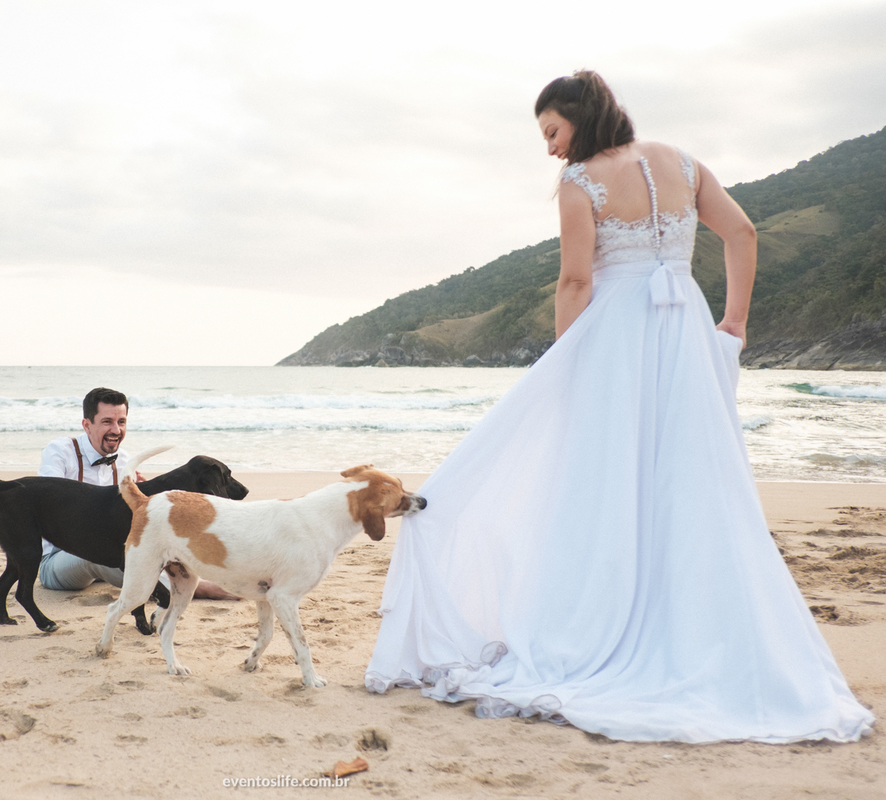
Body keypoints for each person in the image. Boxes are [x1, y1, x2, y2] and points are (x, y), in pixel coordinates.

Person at [364, 71, 874, 743]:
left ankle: (602, 621)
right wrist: (735, 324)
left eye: (551, 131)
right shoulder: (683, 163)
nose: (549, 148)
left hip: (615, 338)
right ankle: (698, 630)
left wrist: (565, 364)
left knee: (605, 483)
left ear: (579, 118)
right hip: (685, 333)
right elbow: (743, 233)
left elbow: (576, 279)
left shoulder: (581, 184)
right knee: (690, 481)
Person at [38, 386, 237, 601]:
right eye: (107, 422)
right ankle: (192, 589)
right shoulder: (60, 451)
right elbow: (48, 507)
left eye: (121, 422)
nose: (116, 429)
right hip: (58, 560)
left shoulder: (124, 460)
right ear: (87, 425)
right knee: (96, 554)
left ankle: (195, 579)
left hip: (112, 556)